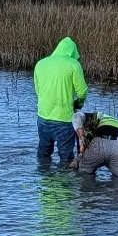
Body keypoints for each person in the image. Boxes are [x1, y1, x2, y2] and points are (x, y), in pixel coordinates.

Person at [32, 36, 87, 166]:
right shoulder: (73, 64)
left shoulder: (40, 63)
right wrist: (78, 103)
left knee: (43, 154)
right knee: (66, 158)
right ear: (72, 52)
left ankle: (44, 181)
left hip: (43, 118)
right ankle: (62, 184)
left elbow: (38, 91)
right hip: (64, 120)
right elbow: (82, 91)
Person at [74, 110, 118, 181]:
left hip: (99, 142)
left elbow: (76, 117)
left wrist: (82, 141)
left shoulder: (96, 116)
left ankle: (89, 190)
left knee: (84, 175)